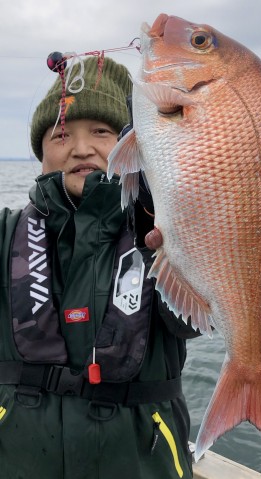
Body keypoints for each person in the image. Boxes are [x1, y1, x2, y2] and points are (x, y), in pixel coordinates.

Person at [0, 55, 198, 479]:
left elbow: (195, 320)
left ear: (134, 143)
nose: (81, 147)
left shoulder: (164, 228)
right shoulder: (5, 233)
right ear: (39, 151)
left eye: (102, 131)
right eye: (60, 134)